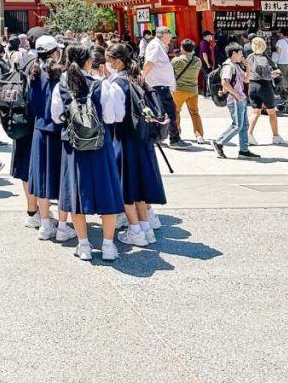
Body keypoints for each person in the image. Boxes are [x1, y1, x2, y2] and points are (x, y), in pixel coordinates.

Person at [50, 43, 125, 262]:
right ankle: (108, 246)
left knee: (77, 195)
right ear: (88, 61)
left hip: (73, 146)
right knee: (107, 193)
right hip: (101, 144)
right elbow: (113, 117)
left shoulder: (62, 86)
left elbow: (56, 116)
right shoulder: (102, 85)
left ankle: (84, 245)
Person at [106, 43, 167, 247]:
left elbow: (113, 115)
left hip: (124, 138)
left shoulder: (117, 83)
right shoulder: (137, 78)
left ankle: (135, 230)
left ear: (118, 61)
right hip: (142, 137)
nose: (107, 63)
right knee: (139, 185)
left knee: (124, 187)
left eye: (109, 59)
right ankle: (145, 227)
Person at [27, 36, 75, 240]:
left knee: (42, 178)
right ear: (54, 52)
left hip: (39, 130)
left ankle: (45, 224)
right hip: (58, 131)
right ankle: (63, 226)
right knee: (62, 178)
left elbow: (29, 102)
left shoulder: (32, 73)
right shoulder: (59, 74)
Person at [212, 42, 260, 159]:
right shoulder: (228, 66)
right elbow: (225, 82)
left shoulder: (236, 65)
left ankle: (244, 150)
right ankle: (219, 142)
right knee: (237, 125)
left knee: (244, 125)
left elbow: (246, 80)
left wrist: (247, 67)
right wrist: (236, 95)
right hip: (234, 99)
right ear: (233, 53)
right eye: (240, 53)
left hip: (240, 98)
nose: (242, 55)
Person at [142, 27, 186, 148]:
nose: (171, 38)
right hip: (158, 85)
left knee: (161, 112)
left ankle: (159, 136)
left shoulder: (159, 45)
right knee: (169, 111)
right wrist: (142, 77)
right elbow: (149, 63)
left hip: (161, 84)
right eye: (169, 35)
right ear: (163, 35)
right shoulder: (156, 45)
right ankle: (174, 139)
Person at [247, 37, 286, 146]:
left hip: (252, 85)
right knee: (272, 112)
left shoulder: (250, 56)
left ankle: (249, 135)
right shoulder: (263, 58)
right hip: (264, 86)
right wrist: (276, 73)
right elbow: (266, 75)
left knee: (256, 111)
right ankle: (276, 136)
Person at [171, 39, 206, 143]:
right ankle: (199, 135)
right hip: (193, 90)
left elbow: (170, 74)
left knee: (176, 112)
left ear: (182, 48)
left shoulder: (176, 60)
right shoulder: (198, 61)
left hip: (179, 90)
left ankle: (177, 133)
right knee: (195, 113)